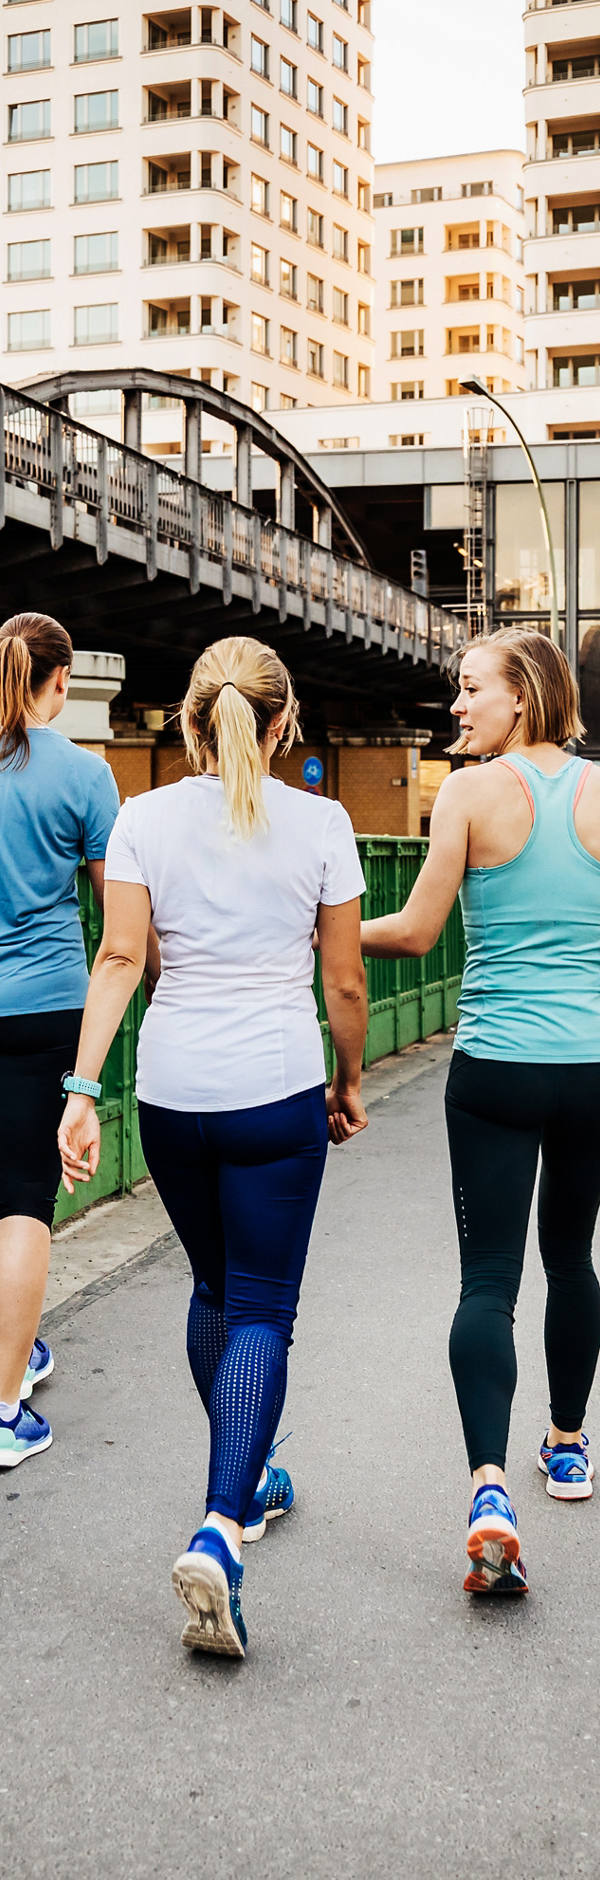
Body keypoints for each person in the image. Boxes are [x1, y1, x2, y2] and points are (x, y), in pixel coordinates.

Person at [58, 635, 368, 1658]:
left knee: (214, 1291)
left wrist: (81, 1086)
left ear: (193, 719)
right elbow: (345, 984)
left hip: (173, 1092)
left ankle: (248, 1476)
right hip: (276, 1087)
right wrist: (349, 1075)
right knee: (266, 1307)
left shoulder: (141, 817)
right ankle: (220, 1525)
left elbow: (119, 956)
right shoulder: (322, 820)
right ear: (282, 726)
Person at [361, 628, 600, 1597]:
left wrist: (327, 925)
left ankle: (490, 1491)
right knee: (572, 1255)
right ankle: (570, 1445)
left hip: (497, 1064)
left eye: (470, 689)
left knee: (490, 1280)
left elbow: (416, 932)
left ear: (524, 694)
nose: (456, 705)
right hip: (591, 1063)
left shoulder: (465, 795)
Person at [0, 612, 120, 1468]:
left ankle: (19, 1349)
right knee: (22, 1201)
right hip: (45, 1008)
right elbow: (122, 924)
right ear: (61, 679)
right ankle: (5, 1409)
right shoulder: (85, 776)